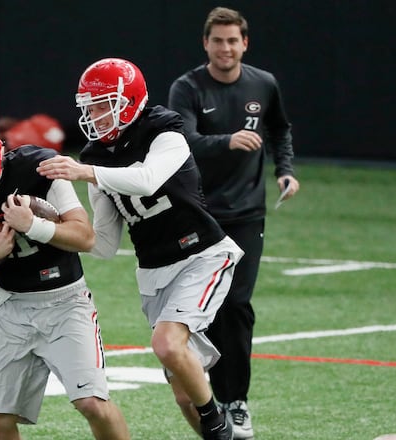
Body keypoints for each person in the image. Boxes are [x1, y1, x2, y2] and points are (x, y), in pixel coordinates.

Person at [37, 58, 243, 440]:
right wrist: (46, 224)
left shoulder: (165, 133)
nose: (94, 114)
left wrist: (86, 173)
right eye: (90, 106)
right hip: (154, 272)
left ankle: (217, 422)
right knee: (183, 393)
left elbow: (147, 181)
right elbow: (104, 245)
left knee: (166, 344)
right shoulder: (97, 158)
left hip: (202, 255)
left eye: (103, 104)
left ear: (129, 101)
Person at [0, 112, 130, 440]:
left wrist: (33, 226)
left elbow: (84, 237)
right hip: (11, 308)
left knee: (92, 403)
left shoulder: (38, 168)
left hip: (65, 302)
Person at [168, 7, 300, 438]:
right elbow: (181, 142)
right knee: (203, 310)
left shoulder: (264, 83)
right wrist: (227, 141)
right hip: (199, 214)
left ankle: (235, 401)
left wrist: (285, 169)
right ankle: (200, 386)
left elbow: (280, 128)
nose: (226, 48)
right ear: (205, 44)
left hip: (246, 214)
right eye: (218, 41)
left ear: (245, 43)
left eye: (233, 40)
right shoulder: (186, 88)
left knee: (237, 304)